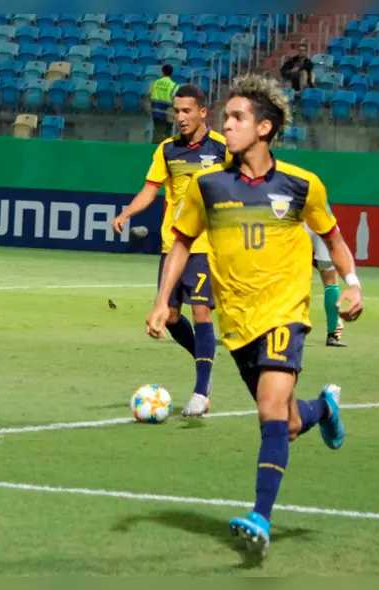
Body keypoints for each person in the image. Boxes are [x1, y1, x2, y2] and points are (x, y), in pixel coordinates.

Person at [146, 74, 363, 556]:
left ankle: (260, 518)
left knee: (267, 413)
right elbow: (180, 241)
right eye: (226, 117)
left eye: (238, 117)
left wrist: (352, 284)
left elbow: (333, 237)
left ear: (264, 128)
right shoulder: (208, 187)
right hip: (238, 323)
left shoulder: (302, 185)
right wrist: (163, 300)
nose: (228, 125)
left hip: (286, 314)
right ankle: (324, 407)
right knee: (283, 422)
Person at [113, 84, 228, 418]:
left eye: (187, 111)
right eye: (176, 111)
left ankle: (201, 390)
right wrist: (126, 214)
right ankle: (204, 360)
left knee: (202, 311)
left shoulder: (222, 149)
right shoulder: (167, 150)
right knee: (172, 317)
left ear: (203, 112)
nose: (180, 117)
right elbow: (150, 191)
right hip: (173, 244)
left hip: (207, 244)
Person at [306, 223, 346, 346]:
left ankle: (284, 330)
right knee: (331, 281)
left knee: (288, 280)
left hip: (294, 221)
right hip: (322, 222)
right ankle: (333, 333)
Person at [149, 65, 178, 144]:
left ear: (162, 72)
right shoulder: (174, 86)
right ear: (171, 73)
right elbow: (176, 100)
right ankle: (167, 152)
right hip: (169, 113)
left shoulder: (155, 83)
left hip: (156, 111)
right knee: (168, 134)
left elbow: (149, 96)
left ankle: (154, 151)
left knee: (157, 133)